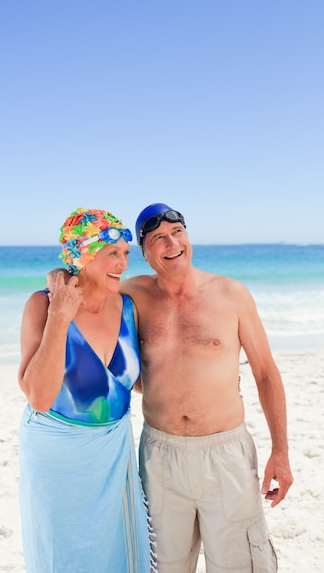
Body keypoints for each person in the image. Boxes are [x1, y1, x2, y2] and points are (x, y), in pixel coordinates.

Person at [121, 202, 293, 573]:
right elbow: (93, 318)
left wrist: (280, 452)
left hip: (225, 452)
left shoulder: (230, 293)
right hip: (160, 455)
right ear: (145, 252)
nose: (172, 243)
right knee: (164, 566)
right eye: (158, 239)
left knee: (240, 565)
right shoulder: (131, 295)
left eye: (177, 233)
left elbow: (265, 373)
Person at [18, 207, 154, 573]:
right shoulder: (42, 306)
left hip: (114, 455)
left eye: (126, 254)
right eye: (112, 253)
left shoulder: (127, 307)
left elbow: (139, 384)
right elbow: (39, 397)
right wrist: (61, 317)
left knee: (120, 554)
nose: (123, 264)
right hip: (58, 458)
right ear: (82, 254)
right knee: (64, 554)